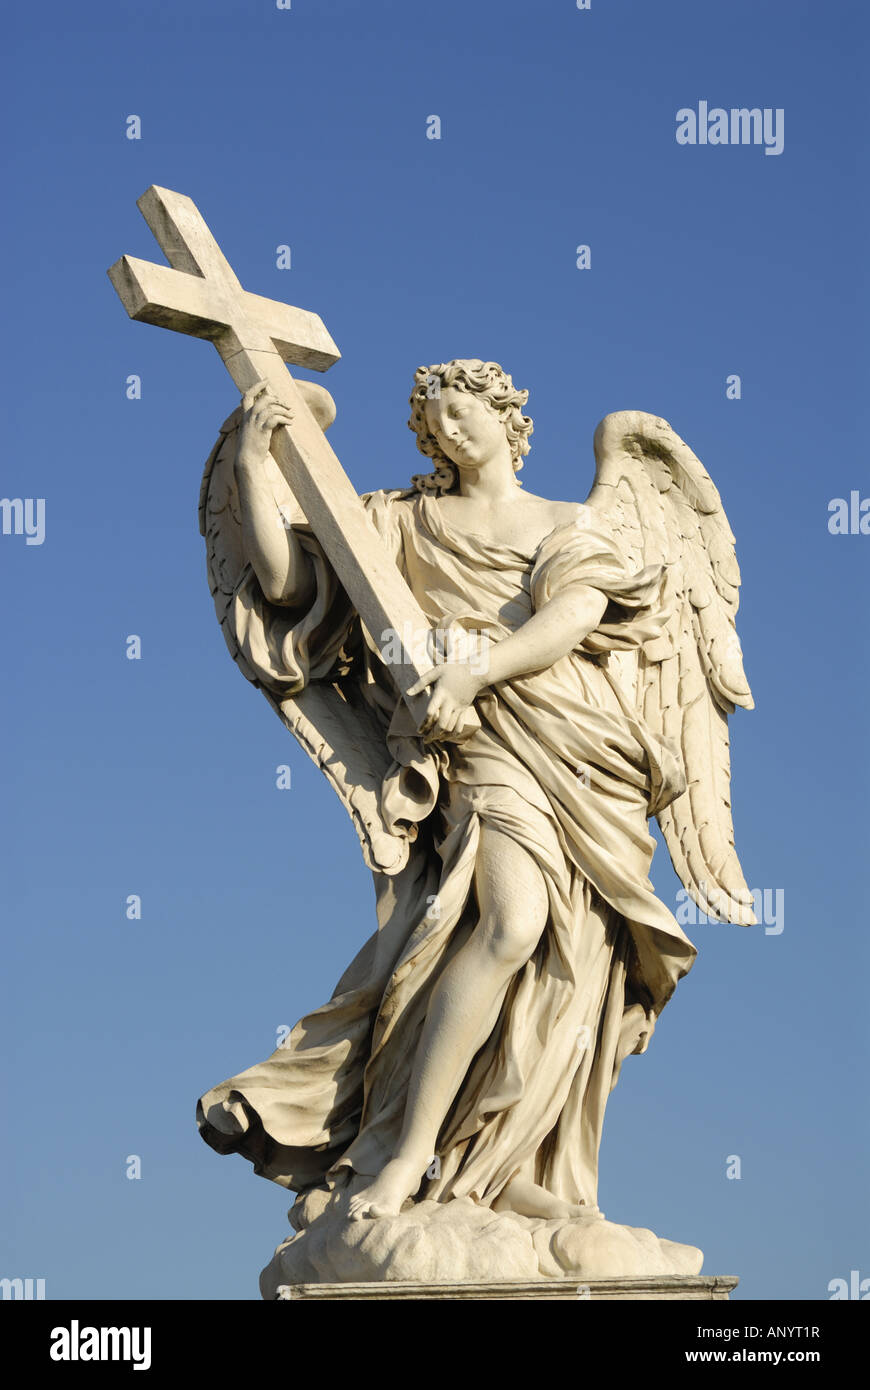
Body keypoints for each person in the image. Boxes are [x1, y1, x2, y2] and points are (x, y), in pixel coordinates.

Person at [197, 359, 696, 1222]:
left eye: (465, 413)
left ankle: (503, 1161)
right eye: (434, 423)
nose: (450, 431)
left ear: (509, 418)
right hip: (480, 744)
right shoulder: (402, 520)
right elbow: (290, 588)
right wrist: (251, 460)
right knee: (510, 922)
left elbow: (574, 616)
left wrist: (481, 670)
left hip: (582, 742)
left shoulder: (569, 521)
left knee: (570, 957)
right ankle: (407, 1155)